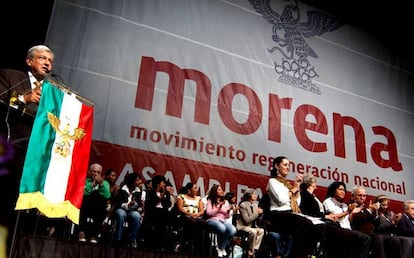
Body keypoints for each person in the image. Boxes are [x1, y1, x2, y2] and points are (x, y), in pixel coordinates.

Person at [0, 45, 54, 253]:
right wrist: (24, 99)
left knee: (15, 210)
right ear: (29, 61)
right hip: (6, 149)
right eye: (42, 58)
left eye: (50, 60)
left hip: (30, 157)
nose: (47, 63)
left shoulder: (52, 90)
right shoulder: (11, 76)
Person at [266, 156, 317, 258]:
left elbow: (297, 203)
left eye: (289, 165)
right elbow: (281, 200)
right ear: (277, 166)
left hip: (289, 214)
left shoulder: (287, 185)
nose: (288, 167)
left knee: (310, 224)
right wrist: (293, 190)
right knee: (303, 223)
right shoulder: (272, 181)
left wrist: (297, 187)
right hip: (277, 214)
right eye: (285, 165)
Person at [323, 181, 371, 258]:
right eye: (340, 189)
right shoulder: (328, 201)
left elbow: (349, 220)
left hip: (348, 230)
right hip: (336, 229)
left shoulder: (344, 205)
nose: (343, 192)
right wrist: (348, 211)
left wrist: (353, 213)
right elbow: (332, 217)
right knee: (365, 238)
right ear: (334, 190)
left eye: (344, 190)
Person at [78, 163, 111, 243]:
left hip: (98, 208)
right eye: (94, 171)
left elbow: (107, 196)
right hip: (86, 206)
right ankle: (81, 232)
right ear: (89, 172)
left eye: (98, 172)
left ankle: (95, 235)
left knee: (100, 199)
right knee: (88, 199)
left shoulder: (105, 183)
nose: (96, 174)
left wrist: (101, 185)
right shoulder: (85, 181)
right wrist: (91, 186)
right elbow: (83, 193)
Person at [113, 172, 144, 247]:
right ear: (132, 181)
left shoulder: (138, 191)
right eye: (137, 180)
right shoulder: (123, 189)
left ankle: (129, 240)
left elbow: (138, 204)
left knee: (137, 216)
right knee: (121, 214)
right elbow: (119, 203)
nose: (140, 182)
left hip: (132, 210)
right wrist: (128, 205)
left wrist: (134, 204)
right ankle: (118, 238)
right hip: (121, 208)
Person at [142, 175, 173, 250]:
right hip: (153, 212)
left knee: (167, 216)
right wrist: (159, 198)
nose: (164, 184)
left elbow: (168, 204)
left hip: (163, 213)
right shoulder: (150, 193)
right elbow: (150, 204)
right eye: (163, 183)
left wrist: (163, 196)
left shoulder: (166, 193)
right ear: (158, 184)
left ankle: (165, 243)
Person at [205, 184, 237, 257]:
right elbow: (209, 213)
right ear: (214, 191)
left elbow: (227, 216)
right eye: (219, 189)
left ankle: (221, 247)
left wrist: (229, 211)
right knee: (222, 228)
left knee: (233, 230)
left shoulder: (225, 201)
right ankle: (219, 246)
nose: (222, 191)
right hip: (212, 219)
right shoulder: (210, 200)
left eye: (221, 189)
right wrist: (219, 207)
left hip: (223, 220)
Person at [176, 182, 206, 254]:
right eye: (194, 188)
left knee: (202, 223)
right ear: (189, 190)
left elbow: (202, 210)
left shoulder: (199, 198)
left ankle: (198, 247)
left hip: (195, 217)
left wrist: (198, 214)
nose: (196, 190)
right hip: (184, 216)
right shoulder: (181, 196)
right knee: (191, 222)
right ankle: (186, 243)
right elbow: (180, 208)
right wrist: (190, 214)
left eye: (196, 188)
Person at [236, 188, 264, 258]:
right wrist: (257, 213)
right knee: (253, 232)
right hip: (243, 226)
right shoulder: (243, 205)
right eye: (254, 194)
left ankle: (254, 249)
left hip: (251, 226)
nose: (255, 195)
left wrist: (261, 215)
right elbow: (247, 220)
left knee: (261, 231)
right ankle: (251, 253)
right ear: (249, 195)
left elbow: (257, 220)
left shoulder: (255, 205)